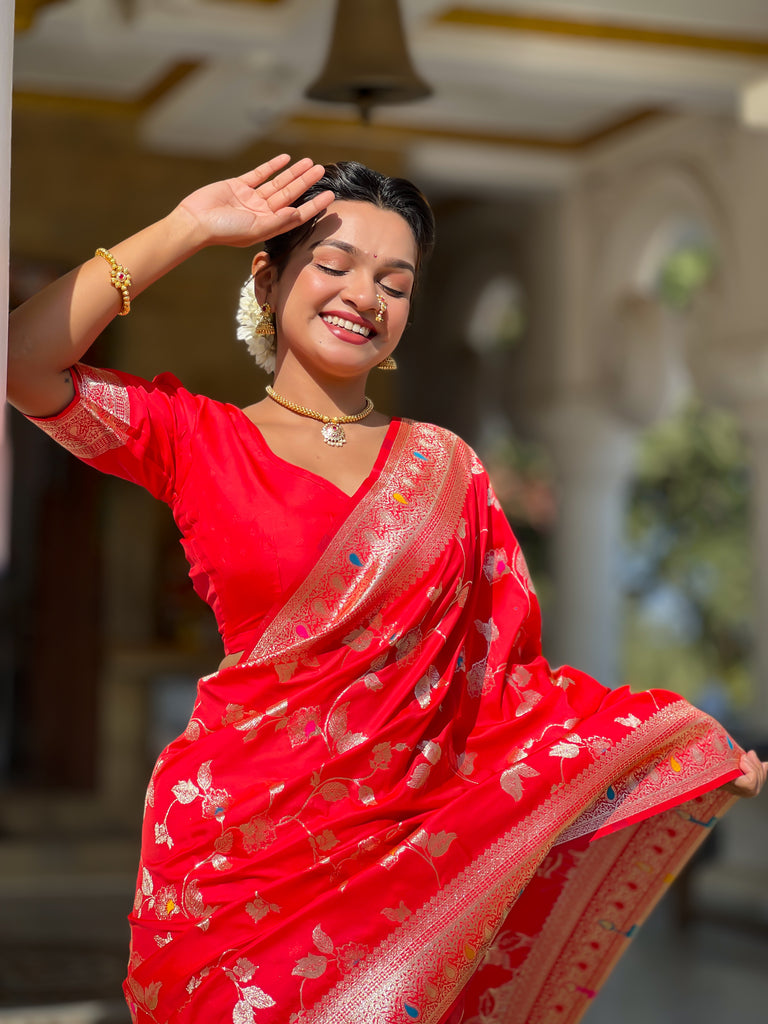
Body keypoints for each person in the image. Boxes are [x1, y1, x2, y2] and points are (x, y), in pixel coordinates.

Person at [7, 154, 766, 1024]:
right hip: (229, 870)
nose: (364, 297)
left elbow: (509, 687)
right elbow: (23, 361)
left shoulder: (446, 470)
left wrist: (674, 750)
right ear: (271, 276)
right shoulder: (194, 437)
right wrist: (189, 226)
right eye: (334, 267)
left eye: (394, 284)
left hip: (400, 872)